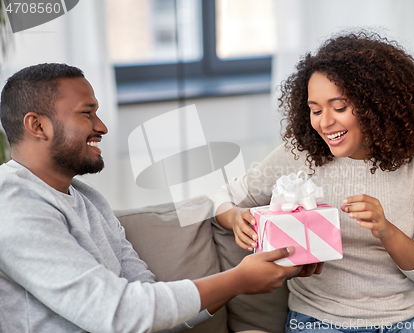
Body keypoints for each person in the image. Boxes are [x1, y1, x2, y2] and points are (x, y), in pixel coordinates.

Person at [0, 63, 323, 333]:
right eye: (87, 113)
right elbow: (119, 314)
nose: (102, 127)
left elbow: (151, 308)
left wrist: (252, 275)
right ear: (37, 125)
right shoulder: (12, 204)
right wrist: (238, 280)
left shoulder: (87, 199)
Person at [214, 32, 414, 332]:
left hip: (405, 322)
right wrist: (234, 218)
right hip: (320, 322)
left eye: (339, 108)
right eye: (315, 110)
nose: (324, 123)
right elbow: (224, 196)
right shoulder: (300, 154)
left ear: (376, 105)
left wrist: (386, 230)